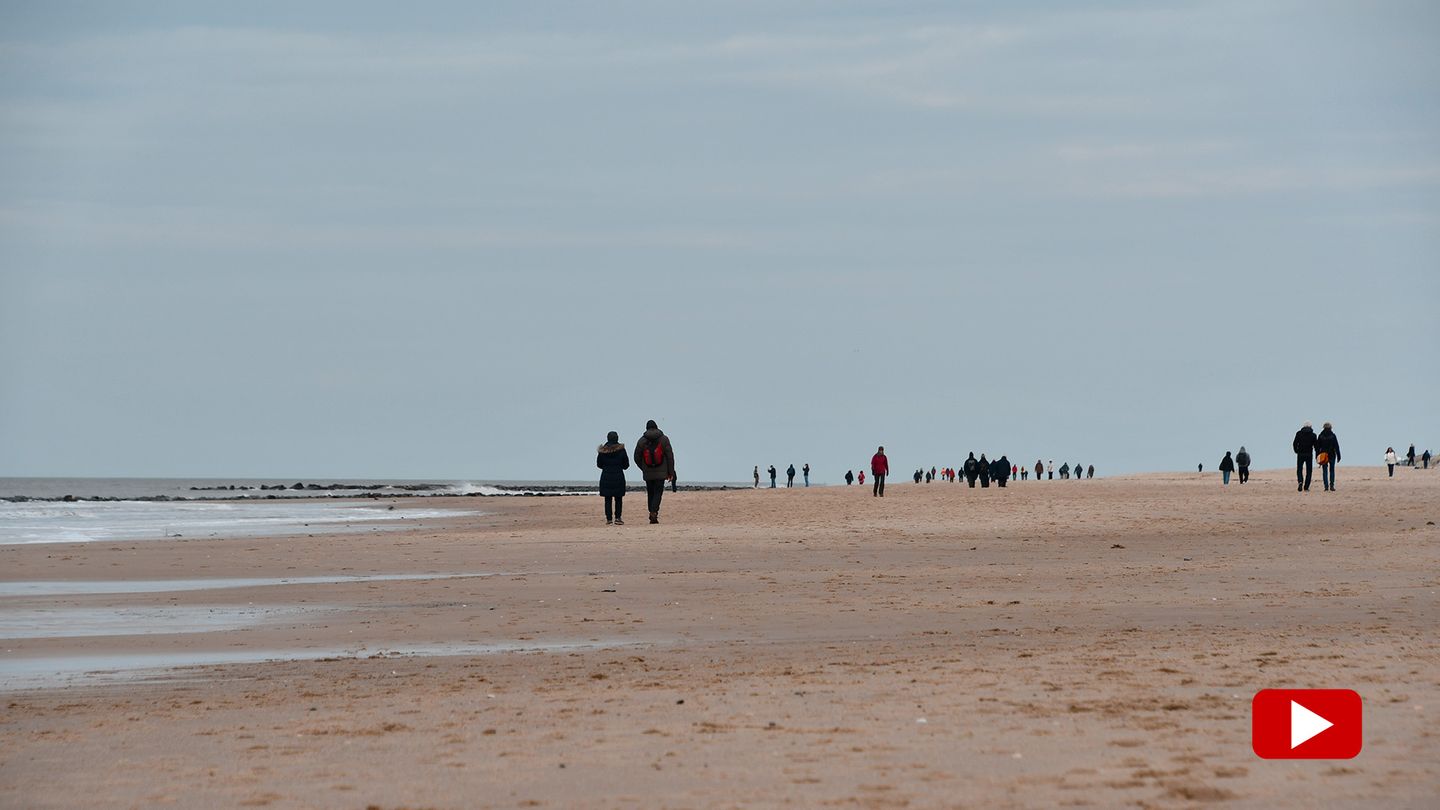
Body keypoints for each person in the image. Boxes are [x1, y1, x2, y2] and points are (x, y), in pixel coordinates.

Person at [634, 420, 675, 524]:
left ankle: (652, 511)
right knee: (658, 493)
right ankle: (653, 512)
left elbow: (636, 457)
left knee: (650, 493)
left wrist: (643, 468)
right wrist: (670, 472)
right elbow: (670, 457)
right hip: (661, 472)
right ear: (657, 427)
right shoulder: (664, 439)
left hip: (648, 472)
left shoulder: (641, 441)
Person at [596, 431, 630, 525]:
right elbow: (626, 465)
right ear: (617, 438)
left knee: (608, 498)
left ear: (607, 438)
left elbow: (599, 464)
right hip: (618, 475)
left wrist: (607, 467)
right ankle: (618, 518)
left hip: (606, 476)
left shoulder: (603, 451)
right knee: (618, 498)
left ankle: (609, 519)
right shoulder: (621, 450)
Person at [1316, 421, 1341, 491]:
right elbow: (1336, 446)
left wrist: (1317, 456)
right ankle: (1332, 485)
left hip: (1323, 455)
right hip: (1332, 455)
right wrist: (1339, 455)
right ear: (1330, 428)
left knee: (1324, 471)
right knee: (1332, 470)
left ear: (1323, 428)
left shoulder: (1320, 435)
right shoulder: (1333, 436)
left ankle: (1326, 486)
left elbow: (1318, 447)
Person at [1293, 421, 1317, 492]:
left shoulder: (1299, 433)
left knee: (1299, 469)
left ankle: (1300, 481)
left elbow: (1294, 443)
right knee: (1309, 471)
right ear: (1310, 427)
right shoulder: (1313, 435)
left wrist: (1296, 451)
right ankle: (1306, 487)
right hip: (1309, 454)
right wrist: (1317, 454)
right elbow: (1316, 446)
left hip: (1300, 454)